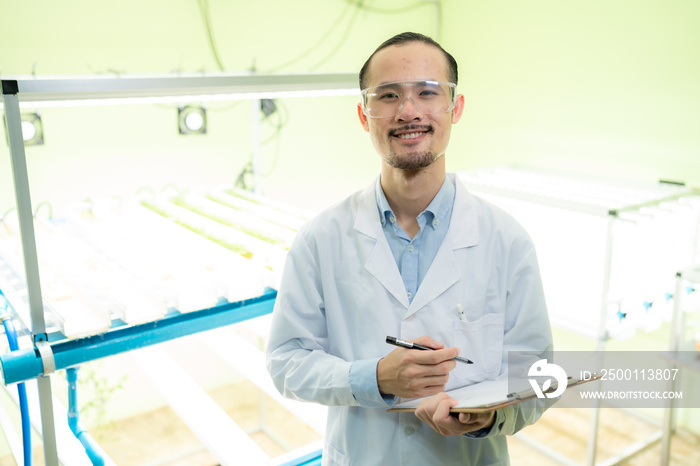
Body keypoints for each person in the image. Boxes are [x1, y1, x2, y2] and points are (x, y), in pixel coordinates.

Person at [266, 31, 553, 466]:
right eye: (387, 96)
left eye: (427, 92)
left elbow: (537, 374)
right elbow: (286, 362)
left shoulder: (507, 240)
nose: (408, 111)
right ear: (364, 115)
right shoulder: (321, 238)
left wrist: (484, 418)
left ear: (454, 108)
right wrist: (375, 377)